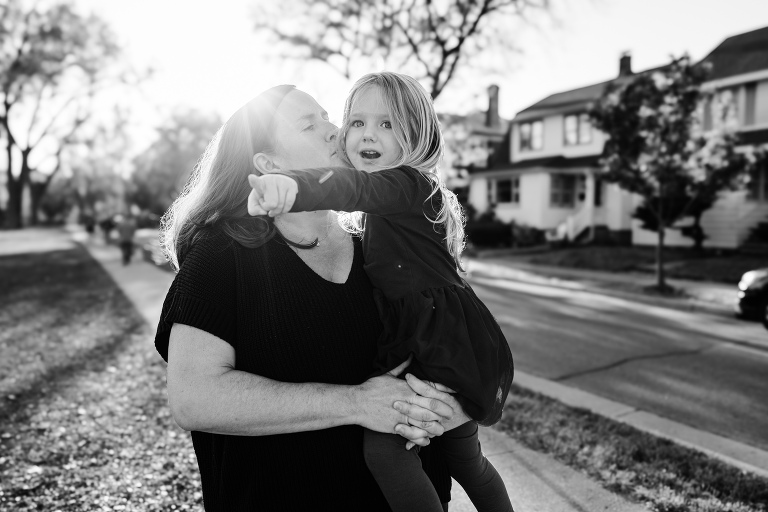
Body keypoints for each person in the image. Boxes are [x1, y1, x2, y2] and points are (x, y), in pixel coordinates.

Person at [155, 84, 468, 511]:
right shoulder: (223, 253)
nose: (335, 130)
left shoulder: (377, 250)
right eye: (309, 123)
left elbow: (453, 346)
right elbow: (194, 397)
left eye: (328, 116)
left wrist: (442, 408)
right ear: (270, 164)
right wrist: (356, 403)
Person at [247, 72, 515, 512]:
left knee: (386, 451)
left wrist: (293, 187)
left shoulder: (406, 184)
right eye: (357, 122)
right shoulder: (391, 205)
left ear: (417, 135)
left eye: (388, 124)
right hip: (437, 336)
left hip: (436, 340)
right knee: (467, 462)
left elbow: (352, 186)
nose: (368, 134)